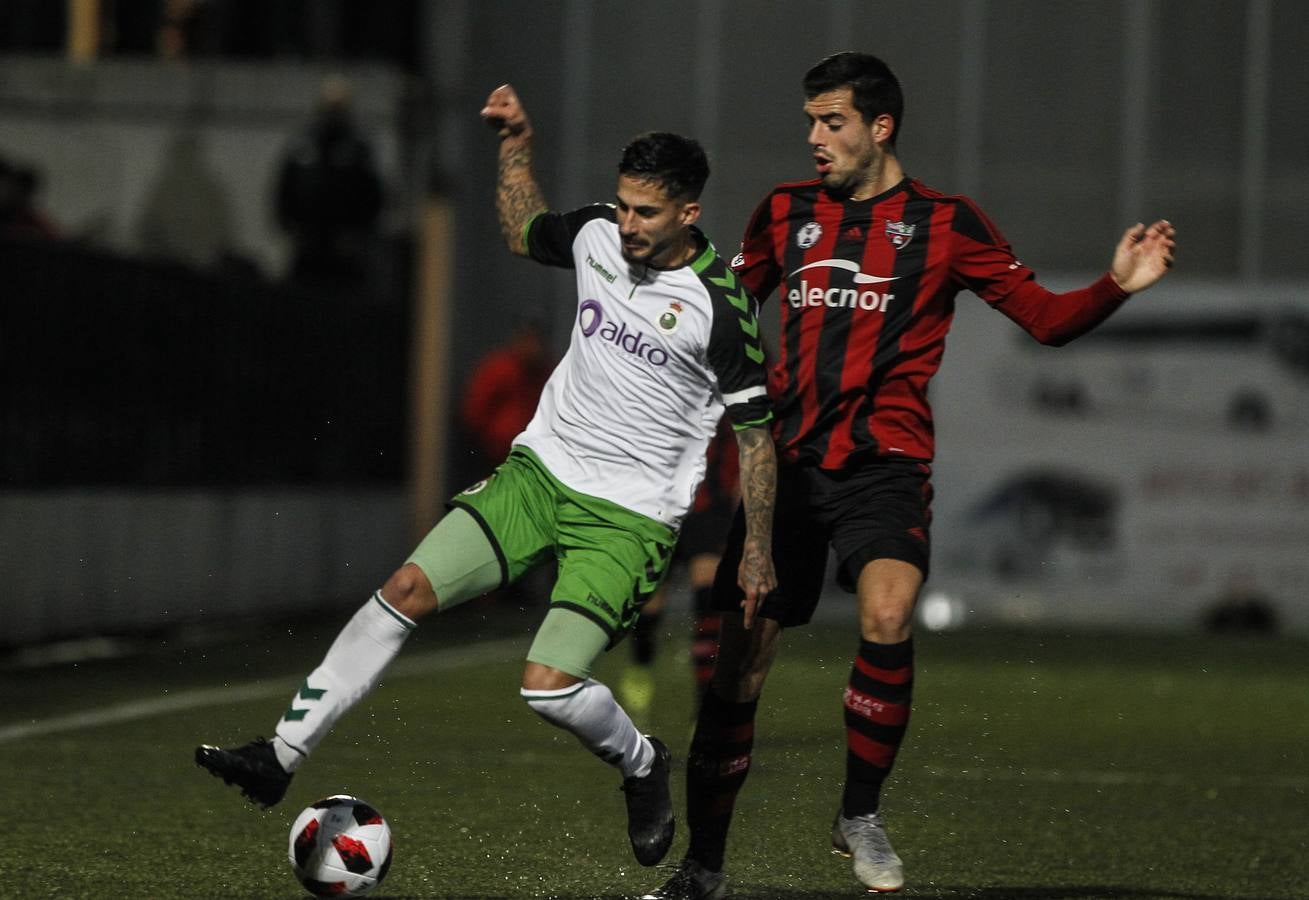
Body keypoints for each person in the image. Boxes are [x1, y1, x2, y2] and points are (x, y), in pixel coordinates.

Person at [196, 82, 779, 874]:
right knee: (403, 588)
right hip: (538, 475)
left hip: (628, 518)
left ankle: (642, 764)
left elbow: (755, 434)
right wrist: (515, 142)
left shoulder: (722, 307)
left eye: (646, 212)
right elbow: (522, 232)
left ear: (689, 214)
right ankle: (280, 754)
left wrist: (756, 550)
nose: (627, 225)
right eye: (623, 206)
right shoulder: (598, 236)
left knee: (545, 687)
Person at [644, 51, 1177, 899]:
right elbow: (720, 309)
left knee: (888, 616)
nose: (814, 138)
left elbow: (1043, 320)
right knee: (739, 665)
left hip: (881, 468)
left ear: (879, 126)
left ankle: (858, 813)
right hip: (782, 471)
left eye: (832, 122)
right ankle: (702, 865)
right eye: (810, 122)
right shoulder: (783, 213)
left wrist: (1115, 284)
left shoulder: (946, 223)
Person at [619, 420, 739, 723]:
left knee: (708, 601)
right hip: (661, 509)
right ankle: (640, 664)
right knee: (649, 608)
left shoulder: (726, 387)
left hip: (709, 510)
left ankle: (703, 710)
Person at [275, 74, 384, 294]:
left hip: (344, 247)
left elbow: (372, 195)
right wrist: (291, 226)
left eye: (338, 105)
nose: (333, 111)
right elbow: (284, 189)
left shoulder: (358, 149)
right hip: (307, 243)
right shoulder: (303, 146)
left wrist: (358, 233)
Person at [459, 319, 553, 468]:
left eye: (535, 342)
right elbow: (474, 411)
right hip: (492, 454)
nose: (532, 347)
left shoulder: (546, 375)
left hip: (530, 456)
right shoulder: (499, 370)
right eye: (527, 340)